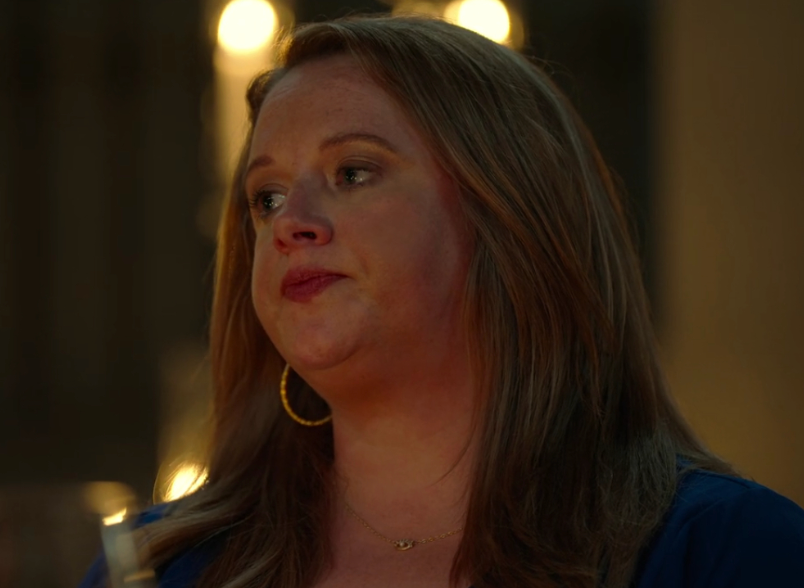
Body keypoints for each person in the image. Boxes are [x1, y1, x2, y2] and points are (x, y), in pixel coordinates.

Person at [80, 14, 804, 588]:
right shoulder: (160, 569)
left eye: (353, 172)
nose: (290, 222)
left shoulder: (729, 553)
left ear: (510, 216)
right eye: (265, 197)